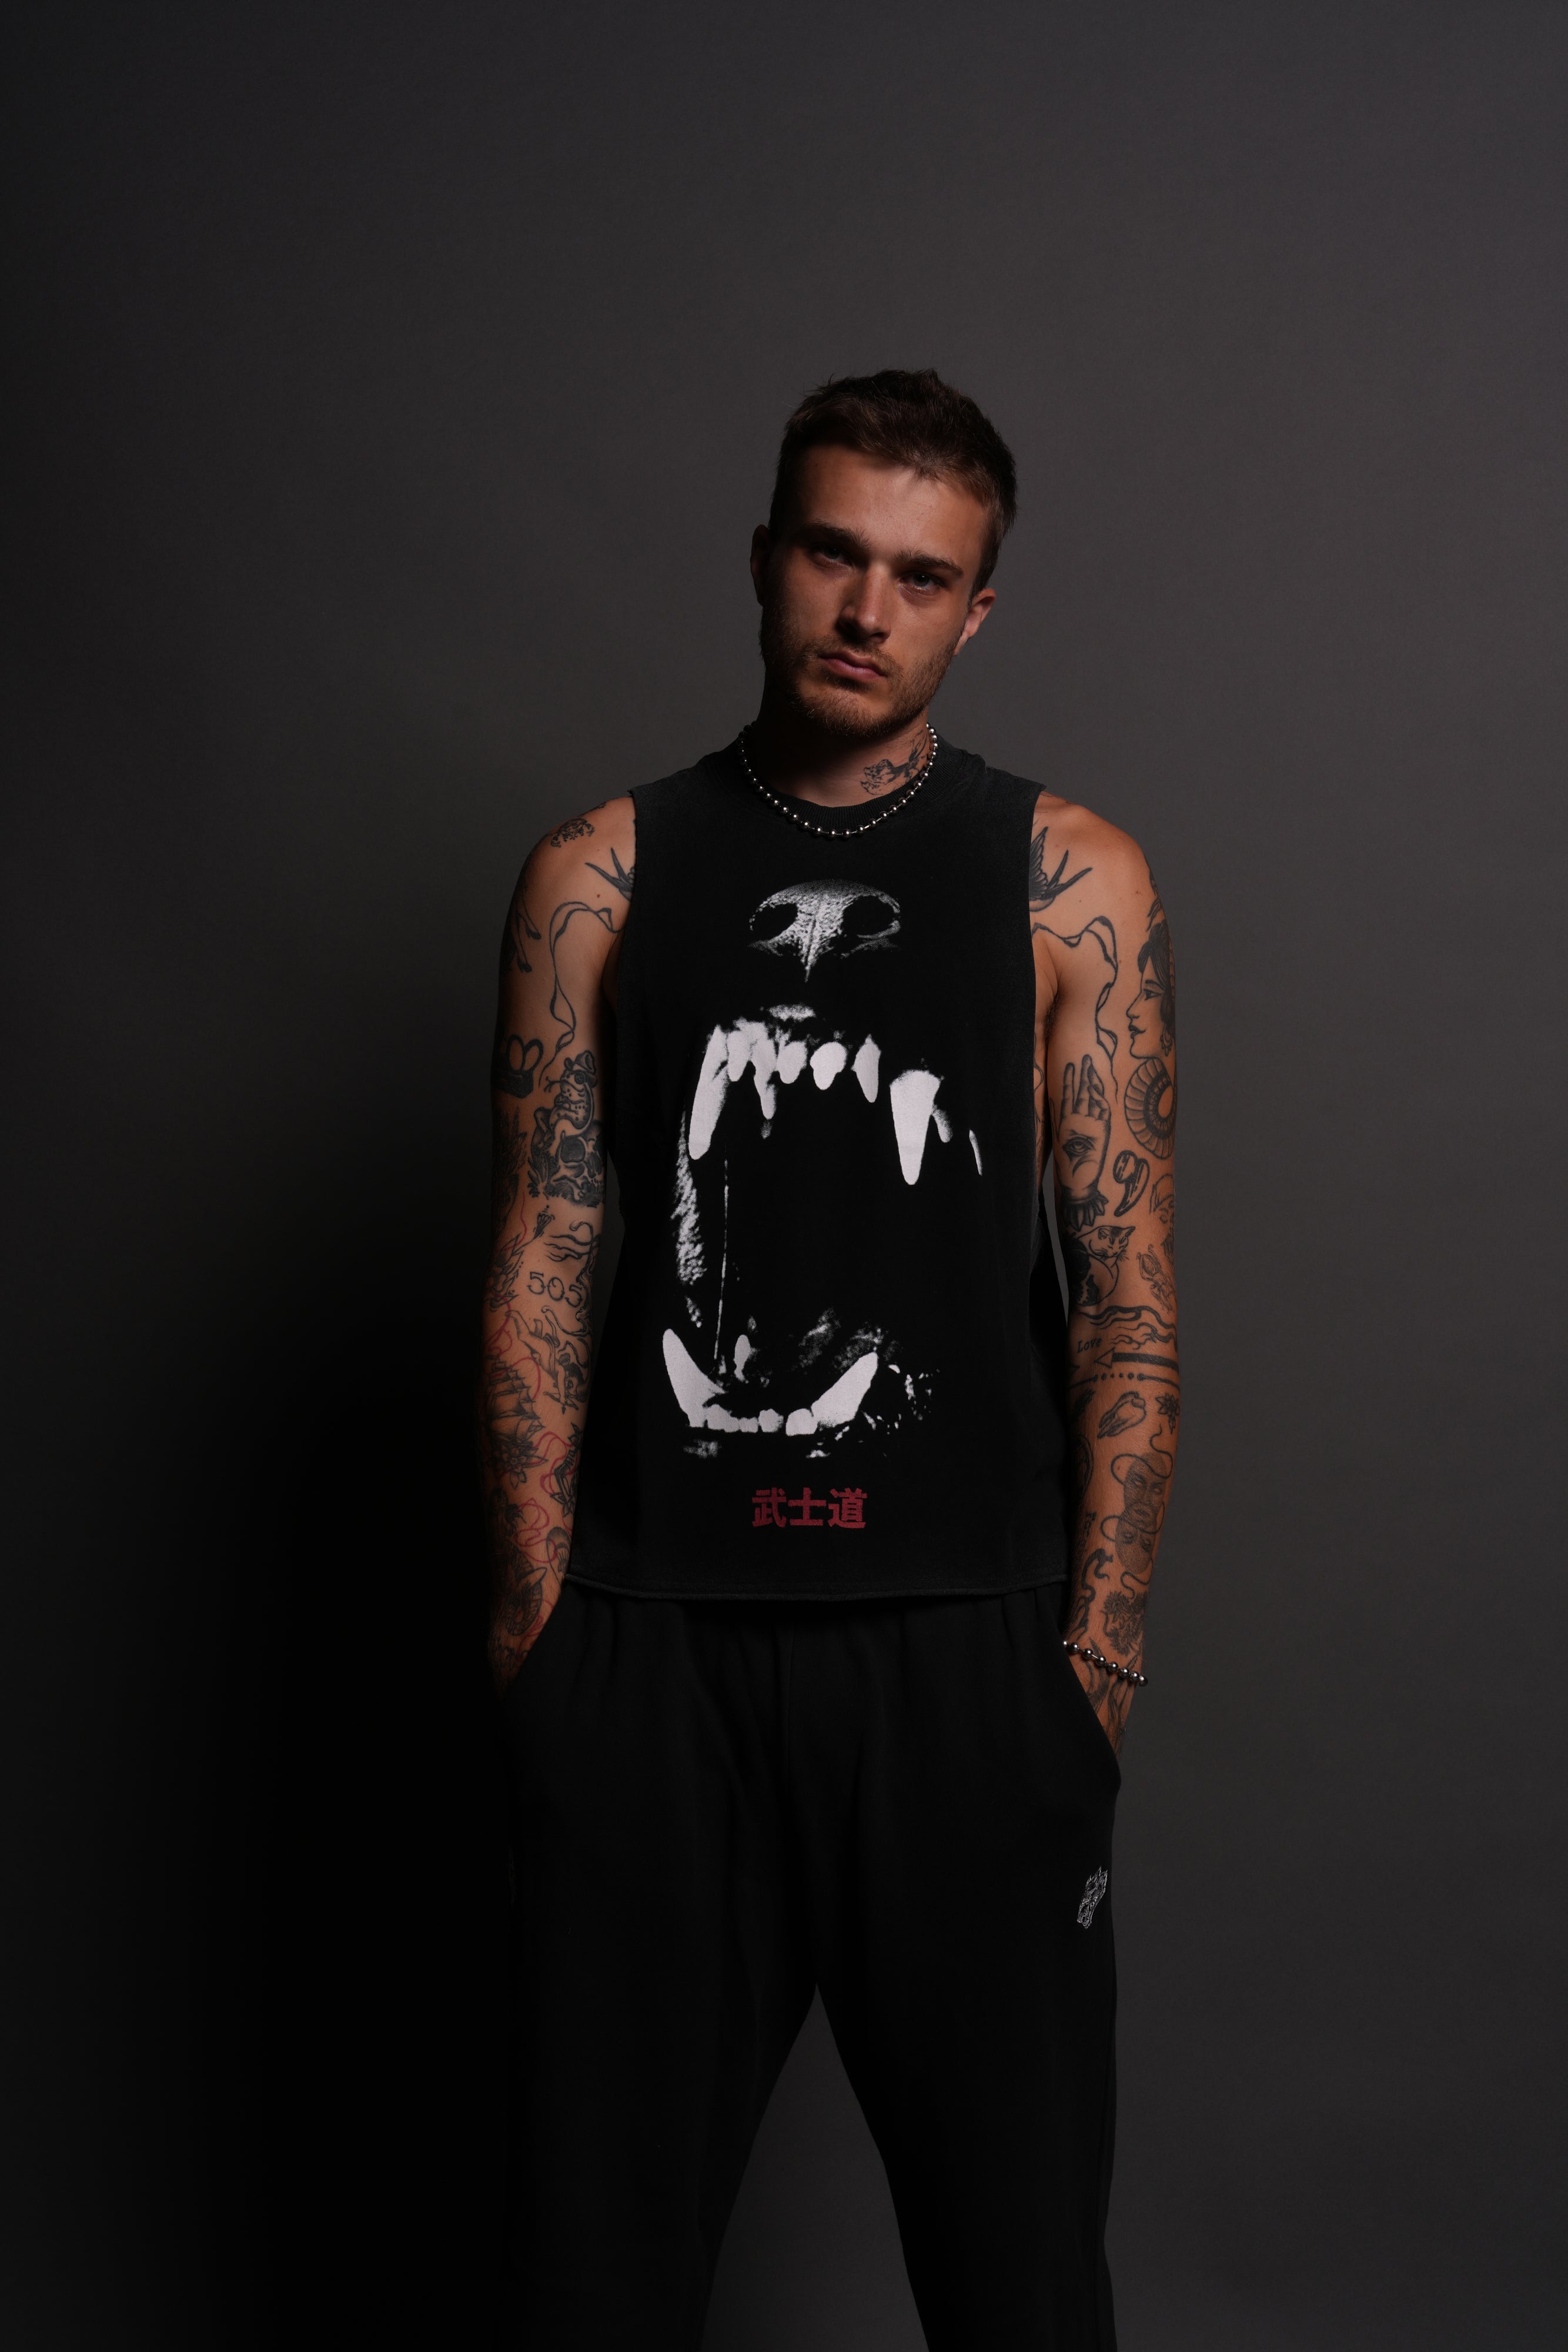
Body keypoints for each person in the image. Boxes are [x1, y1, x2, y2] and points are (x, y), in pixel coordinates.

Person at [480, 368, 1179, 2349]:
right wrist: (536, 1632)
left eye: (921, 576)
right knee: (586, 2284)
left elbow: (1127, 1294)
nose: (868, 610)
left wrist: (1091, 1668)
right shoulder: (599, 873)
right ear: (765, 558)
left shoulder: (1071, 881)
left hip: (968, 1654)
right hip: (653, 1652)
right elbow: (543, 1250)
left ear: (977, 610)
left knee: (1021, 2285)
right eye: (831, 553)